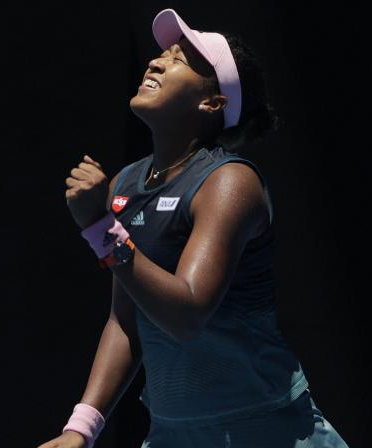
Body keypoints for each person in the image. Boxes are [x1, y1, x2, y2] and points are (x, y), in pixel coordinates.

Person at [40, 8, 349, 448]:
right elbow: (126, 321)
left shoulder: (229, 182)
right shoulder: (126, 183)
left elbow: (186, 315)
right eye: (162, 54)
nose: (156, 62)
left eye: (178, 60)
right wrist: (81, 429)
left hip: (269, 430)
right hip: (175, 433)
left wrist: (100, 227)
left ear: (212, 103)